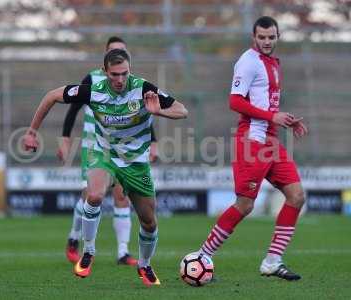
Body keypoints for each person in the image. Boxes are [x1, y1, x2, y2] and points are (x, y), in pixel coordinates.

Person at [23, 48, 188, 286]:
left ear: (130, 70)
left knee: (149, 222)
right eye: (114, 75)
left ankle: (145, 264)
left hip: (135, 162)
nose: (120, 80)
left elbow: (182, 110)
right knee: (94, 194)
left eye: (124, 74)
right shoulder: (93, 91)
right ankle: (88, 251)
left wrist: (159, 111)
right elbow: (51, 96)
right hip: (103, 153)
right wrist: (32, 132)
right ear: (105, 72)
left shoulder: (143, 88)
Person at [198, 16, 308, 281]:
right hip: (253, 141)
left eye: (271, 37)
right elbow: (234, 101)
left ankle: (272, 261)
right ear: (253, 37)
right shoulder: (248, 62)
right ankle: (202, 256)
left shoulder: (271, 63)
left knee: (296, 196)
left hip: (271, 140)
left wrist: (284, 120)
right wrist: (272, 117)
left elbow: (265, 103)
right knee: (245, 205)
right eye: (262, 37)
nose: (267, 42)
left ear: (277, 36)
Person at [60, 37, 158, 266]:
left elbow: (140, 115)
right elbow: (72, 108)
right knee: (90, 195)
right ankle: (74, 238)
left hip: (124, 148)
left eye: (122, 52)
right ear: (105, 61)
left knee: (122, 196)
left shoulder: (131, 84)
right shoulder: (92, 79)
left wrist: (153, 141)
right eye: (113, 52)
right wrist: (65, 138)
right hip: (95, 145)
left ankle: (123, 252)